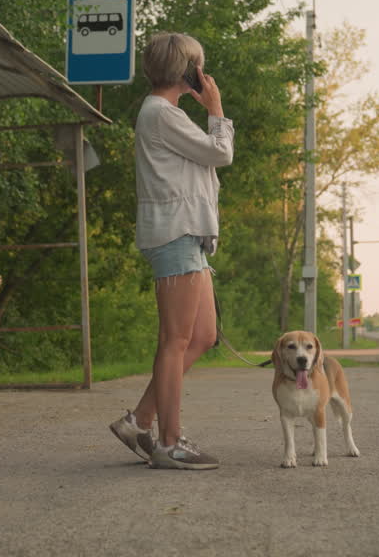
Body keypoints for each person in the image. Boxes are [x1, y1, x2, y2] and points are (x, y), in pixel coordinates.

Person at [109, 32, 234, 470]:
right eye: (199, 66)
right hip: (175, 235)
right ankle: (169, 442)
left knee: (201, 336)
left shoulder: (166, 115)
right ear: (189, 72)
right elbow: (221, 153)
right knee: (175, 340)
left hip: (189, 236)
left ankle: (139, 420)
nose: (203, 74)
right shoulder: (161, 113)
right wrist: (215, 107)